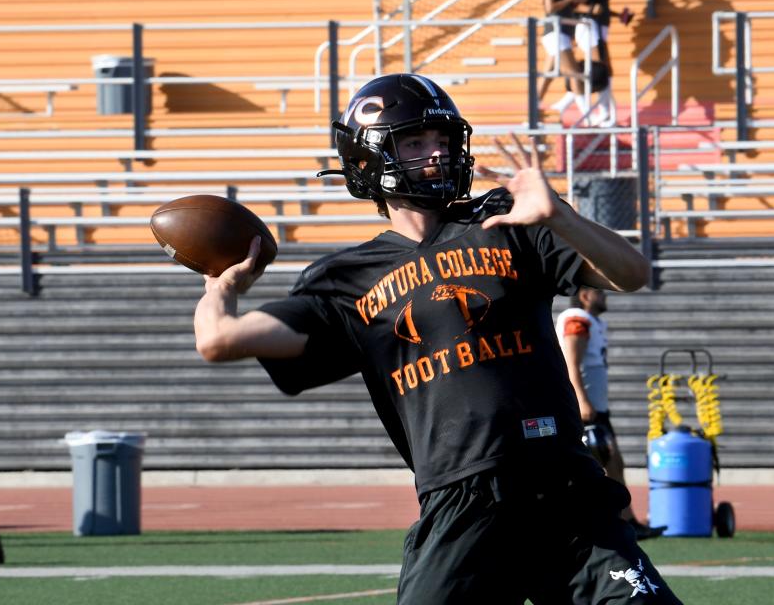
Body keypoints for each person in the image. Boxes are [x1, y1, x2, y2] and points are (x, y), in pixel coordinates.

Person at [193, 73, 682, 603]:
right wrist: (222, 286)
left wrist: (560, 216)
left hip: (564, 488)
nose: (437, 154)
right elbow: (219, 340)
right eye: (415, 142)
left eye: (443, 140)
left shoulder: (504, 219)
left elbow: (632, 273)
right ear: (369, 159)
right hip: (462, 501)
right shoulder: (346, 280)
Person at [556, 285, 666, 541]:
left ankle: (626, 521)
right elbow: (572, 364)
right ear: (585, 295)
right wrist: (582, 401)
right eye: (600, 292)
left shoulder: (591, 321)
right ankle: (610, 522)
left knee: (614, 463)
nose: (605, 296)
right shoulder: (577, 319)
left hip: (595, 409)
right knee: (604, 463)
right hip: (583, 410)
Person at [571, 0, 633, 125]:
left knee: (604, 68)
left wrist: (618, 15)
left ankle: (605, 111)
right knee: (599, 68)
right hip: (588, 25)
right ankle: (596, 113)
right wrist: (590, 8)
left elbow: (601, 7)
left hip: (600, 26)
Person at [537, 0, 590, 113]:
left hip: (561, 33)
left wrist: (575, 0)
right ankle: (587, 115)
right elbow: (550, 8)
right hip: (556, 33)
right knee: (574, 73)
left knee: (548, 74)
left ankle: (533, 108)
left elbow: (567, 5)